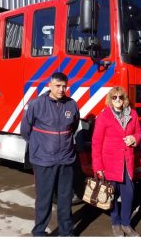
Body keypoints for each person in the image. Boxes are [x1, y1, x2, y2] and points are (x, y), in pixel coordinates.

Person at [21, 72, 80, 236]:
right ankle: (39, 232)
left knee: (65, 199)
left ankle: (66, 232)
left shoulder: (72, 105)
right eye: (58, 86)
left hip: (66, 160)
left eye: (64, 86)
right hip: (44, 161)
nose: (61, 89)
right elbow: (26, 131)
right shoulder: (36, 104)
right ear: (49, 85)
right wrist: (40, 147)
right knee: (44, 200)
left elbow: (73, 127)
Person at [91, 86, 141, 237]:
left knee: (129, 194)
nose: (118, 100)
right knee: (110, 195)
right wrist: (98, 166)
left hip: (127, 163)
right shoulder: (104, 116)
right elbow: (96, 142)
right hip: (110, 163)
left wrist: (135, 139)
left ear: (124, 99)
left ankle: (126, 224)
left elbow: (139, 132)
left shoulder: (132, 114)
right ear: (110, 99)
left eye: (120, 97)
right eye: (114, 97)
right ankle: (115, 223)